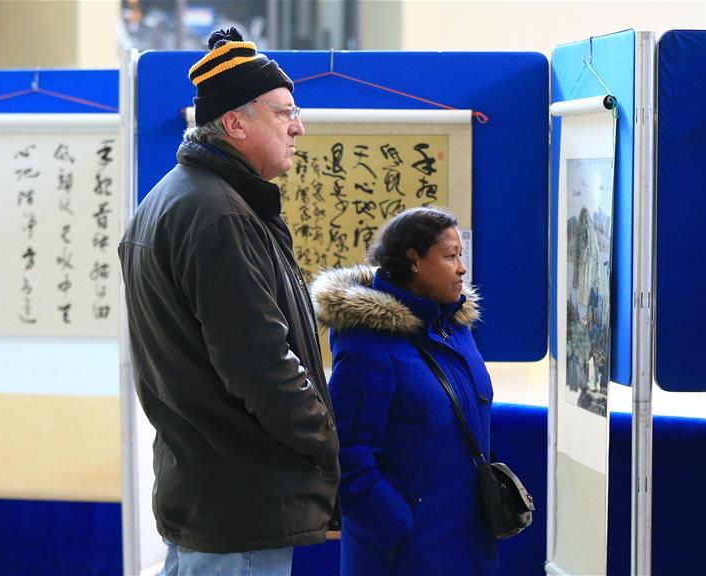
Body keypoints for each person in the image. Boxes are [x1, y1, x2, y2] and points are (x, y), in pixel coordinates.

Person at [118, 27, 339, 576]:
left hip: (205, 491)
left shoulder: (175, 199)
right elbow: (260, 365)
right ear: (236, 123)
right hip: (241, 503)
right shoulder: (222, 216)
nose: (299, 126)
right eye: (284, 111)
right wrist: (330, 443)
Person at [311, 207, 498, 575]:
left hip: (467, 539)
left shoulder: (454, 326)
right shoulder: (367, 341)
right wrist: (397, 526)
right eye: (450, 256)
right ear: (414, 261)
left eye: (462, 256)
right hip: (405, 553)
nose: (462, 268)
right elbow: (346, 454)